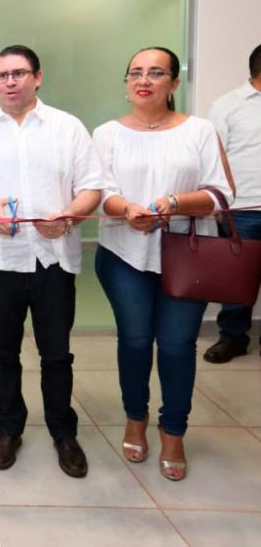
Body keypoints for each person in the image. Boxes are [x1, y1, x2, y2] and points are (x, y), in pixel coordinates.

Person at [0, 46, 103, 478]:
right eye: (2, 75)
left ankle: (63, 432)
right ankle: (8, 428)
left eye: (19, 73)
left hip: (53, 260)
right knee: (4, 350)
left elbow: (93, 187)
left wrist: (70, 214)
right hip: (0, 261)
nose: (10, 82)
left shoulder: (67, 128)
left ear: (38, 77)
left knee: (56, 353)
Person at [93, 46, 233, 481]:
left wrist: (172, 203)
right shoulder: (107, 133)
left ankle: (174, 430)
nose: (144, 80)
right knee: (135, 342)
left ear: (174, 83)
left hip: (187, 254)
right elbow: (99, 191)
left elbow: (219, 194)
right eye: (135, 72)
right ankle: (136, 417)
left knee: (175, 346)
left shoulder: (199, 130)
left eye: (156, 73)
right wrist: (128, 209)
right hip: (123, 253)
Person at [203, 43, 261, 363]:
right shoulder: (227, 105)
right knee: (238, 280)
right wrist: (218, 204)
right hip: (244, 209)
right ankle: (233, 338)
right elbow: (212, 159)